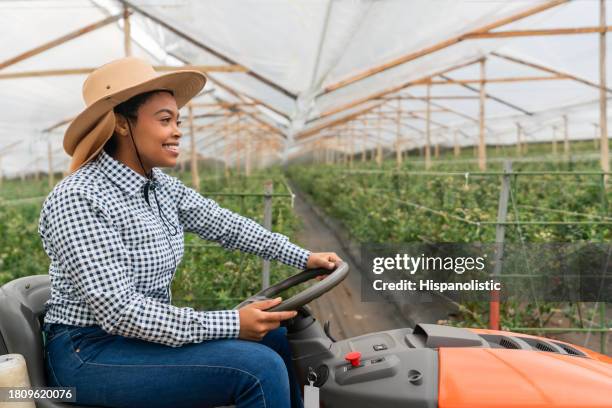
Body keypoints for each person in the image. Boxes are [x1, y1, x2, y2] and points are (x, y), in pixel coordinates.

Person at [38, 57, 342, 408]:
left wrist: (303, 256)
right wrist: (231, 322)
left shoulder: (160, 187)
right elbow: (119, 312)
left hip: (137, 339)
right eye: (165, 120)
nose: (178, 130)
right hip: (87, 352)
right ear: (122, 124)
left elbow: (225, 225)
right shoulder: (79, 197)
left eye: (177, 120)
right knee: (258, 370)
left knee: (276, 338)